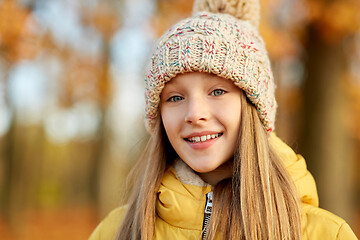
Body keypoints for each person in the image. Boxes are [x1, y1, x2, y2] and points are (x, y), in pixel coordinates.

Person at [89, 0, 358, 239]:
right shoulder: (117, 231)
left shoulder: (326, 234)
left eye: (217, 91)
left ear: (253, 106)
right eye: (175, 98)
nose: (195, 114)